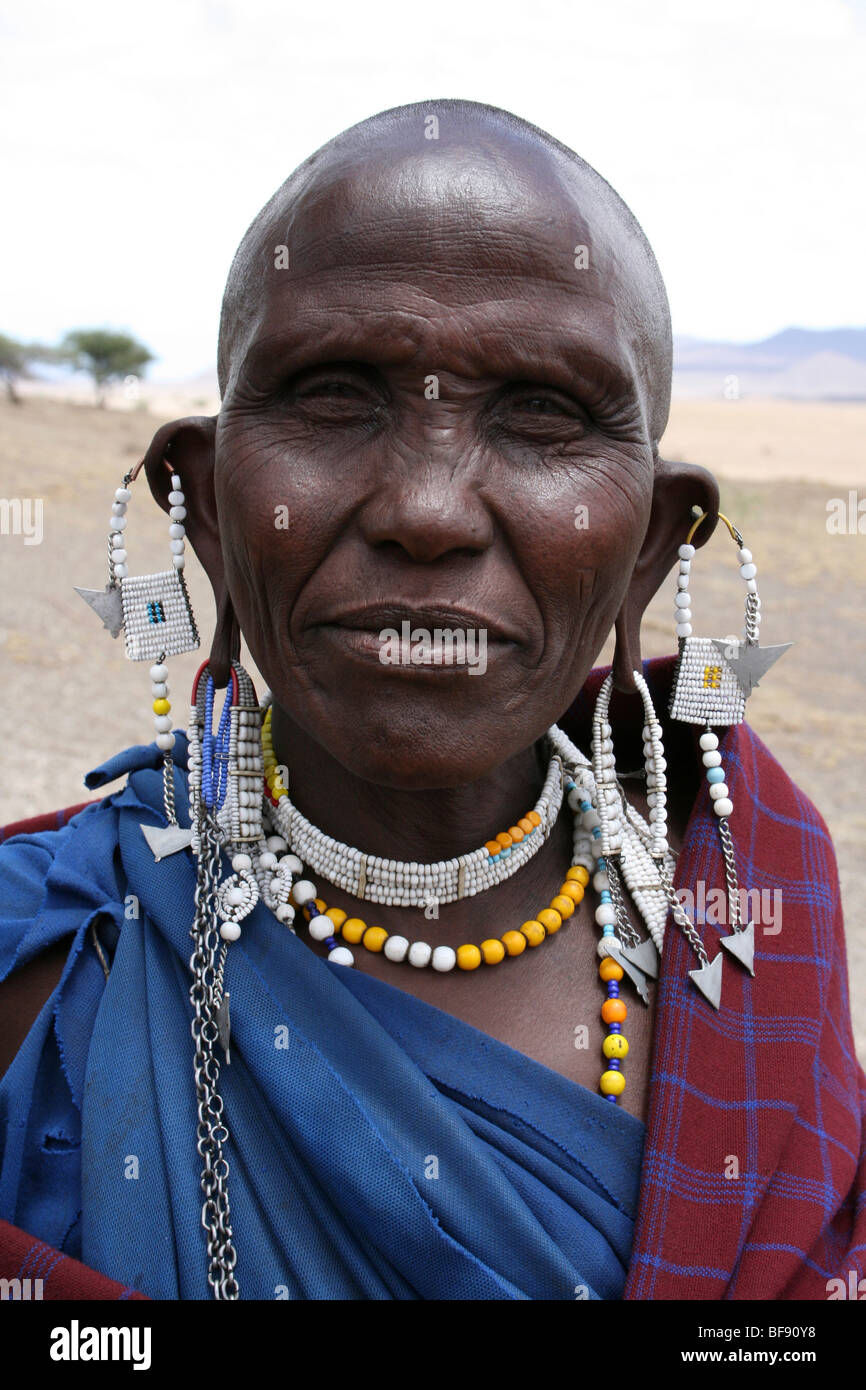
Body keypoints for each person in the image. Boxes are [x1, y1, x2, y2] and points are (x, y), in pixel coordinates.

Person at [0, 99, 863, 1302]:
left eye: (543, 414)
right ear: (202, 505)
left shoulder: (747, 903)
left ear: (654, 547)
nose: (429, 509)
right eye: (334, 395)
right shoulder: (41, 960)